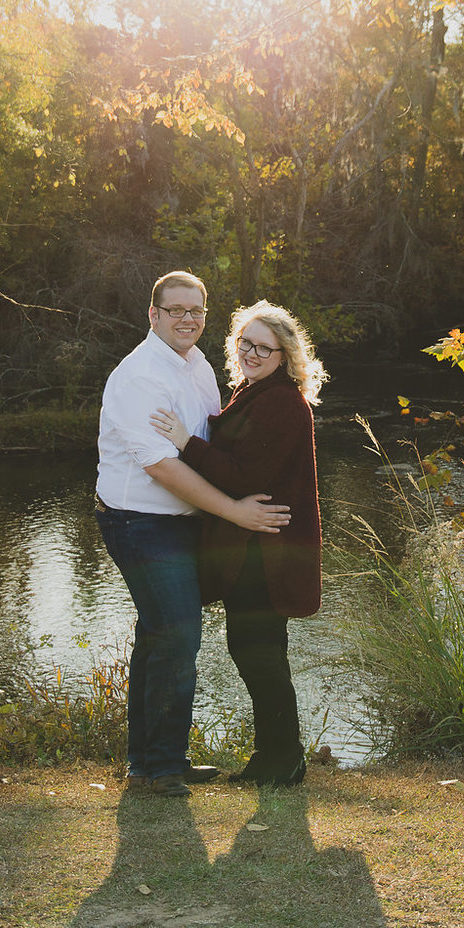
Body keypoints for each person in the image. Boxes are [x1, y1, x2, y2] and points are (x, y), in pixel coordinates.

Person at [96, 272, 290, 799]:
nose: (188, 319)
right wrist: (234, 511)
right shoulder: (138, 377)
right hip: (141, 520)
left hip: (186, 522)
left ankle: (153, 762)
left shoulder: (198, 365)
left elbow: (213, 441)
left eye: (196, 310)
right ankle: (160, 769)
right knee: (178, 634)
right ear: (153, 315)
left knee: (160, 636)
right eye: (176, 309)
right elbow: (161, 466)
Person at [150, 300, 325, 787]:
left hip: (265, 552)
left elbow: (243, 476)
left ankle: (283, 759)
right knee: (257, 652)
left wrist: (187, 442)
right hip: (257, 547)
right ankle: (276, 757)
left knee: (259, 654)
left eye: (262, 347)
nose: (250, 352)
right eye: (244, 343)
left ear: (284, 355)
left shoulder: (281, 403)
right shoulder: (254, 392)